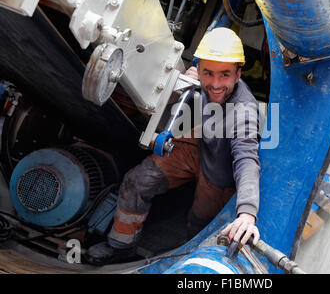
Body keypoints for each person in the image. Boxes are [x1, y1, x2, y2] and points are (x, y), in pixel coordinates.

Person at [85, 27, 262, 266]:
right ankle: (121, 246)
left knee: (200, 221)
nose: (216, 83)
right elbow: (164, 104)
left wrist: (247, 213)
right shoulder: (199, 79)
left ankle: (184, 260)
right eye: (208, 73)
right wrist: (177, 86)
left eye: (225, 75)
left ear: (238, 74)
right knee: (138, 181)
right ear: (198, 69)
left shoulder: (245, 112)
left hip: (221, 166)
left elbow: (247, 159)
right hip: (196, 146)